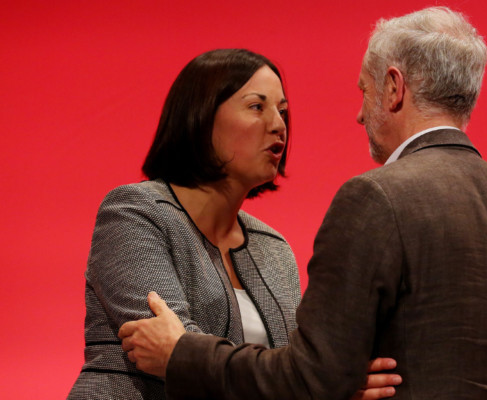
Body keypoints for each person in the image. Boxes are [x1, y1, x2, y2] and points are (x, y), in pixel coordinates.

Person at [119, 7, 487, 400]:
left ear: (393, 86)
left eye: (364, 91)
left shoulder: (375, 198)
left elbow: (312, 378)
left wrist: (183, 355)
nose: (360, 113)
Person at [68, 49, 400, 399]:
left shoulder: (272, 247)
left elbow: (284, 367)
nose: (278, 125)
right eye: (257, 107)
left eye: (282, 112)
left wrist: (324, 379)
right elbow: (175, 356)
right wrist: (317, 382)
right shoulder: (135, 212)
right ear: (201, 116)